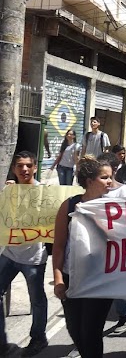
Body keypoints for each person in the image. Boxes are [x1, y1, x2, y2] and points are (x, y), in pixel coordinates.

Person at [52, 156, 114, 357]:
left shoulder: (114, 208)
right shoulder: (69, 206)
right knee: (74, 329)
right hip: (73, 278)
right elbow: (59, 246)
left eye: (110, 177)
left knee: (91, 332)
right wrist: (59, 279)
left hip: (101, 279)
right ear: (89, 181)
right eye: (105, 178)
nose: (110, 182)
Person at [0, 152, 49, 357]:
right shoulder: (8, 190)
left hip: (33, 259)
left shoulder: (44, 193)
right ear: (14, 169)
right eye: (20, 166)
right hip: (10, 254)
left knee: (36, 300)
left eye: (28, 165)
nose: (24, 169)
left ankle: (39, 338)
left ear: (35, 168)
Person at [95, 152, 126, 334]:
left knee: (114, 283)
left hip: (116, 243)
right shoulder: (94, 191)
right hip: (96, 243)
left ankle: (125, 312)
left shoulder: (123, 191)